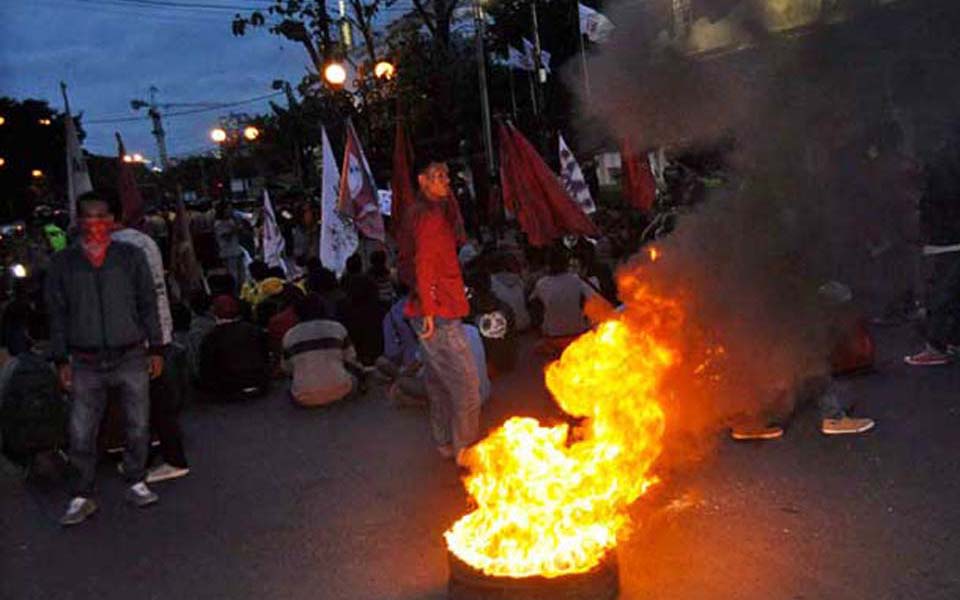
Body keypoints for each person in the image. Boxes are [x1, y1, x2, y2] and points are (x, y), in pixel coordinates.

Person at [46, 191, 164, 526]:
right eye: (88, 216)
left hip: (129, 353)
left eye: (102, 216)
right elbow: (57, 314)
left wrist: (155, 347)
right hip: (84, 359)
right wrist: (60, 359)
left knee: (138, 423)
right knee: (81, 430)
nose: (95, 224)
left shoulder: (130, 257)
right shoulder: (63, 263)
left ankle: (136, 480)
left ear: (112, 220)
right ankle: (82, 494)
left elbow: (147, 303)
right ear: (78, 221)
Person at [405, 160, 481, 463]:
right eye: (438, 177)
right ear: (423, 180)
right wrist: (429, 309)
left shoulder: (430, 212)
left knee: (438, 383)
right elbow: (423, 264)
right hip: (438, 311)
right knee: (467, 388)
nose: (446, 182)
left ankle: (445, 443)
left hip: (430, 306)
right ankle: (466, 452)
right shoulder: (428, 217)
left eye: (447, 176)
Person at [905, 127, 960, 366]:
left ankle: (936, 346)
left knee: (942, 293)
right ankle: (952, 340)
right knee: (952, 290)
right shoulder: (948, 155)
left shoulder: (943, 160)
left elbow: (943, 197)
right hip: (949, 235)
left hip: (948, 237)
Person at [282, 294, 362, 407]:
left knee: (287, 384)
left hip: (303, 397)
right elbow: (351, 357)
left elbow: (287, 368)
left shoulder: (289, 335)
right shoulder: (337, 328)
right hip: (342, 390)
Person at [197, 295, 270, 399]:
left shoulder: (211, 338)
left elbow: (206, 368)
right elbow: (265, 355)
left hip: (229, 387)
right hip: (259, 381)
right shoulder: (254, 330)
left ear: (214, 311)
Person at [529, 248, 596, 355]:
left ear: (548, 264)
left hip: (552, 336)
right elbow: (594, 298)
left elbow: (533, 304)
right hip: (578, 334)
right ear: (566, 264)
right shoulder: (576, 280)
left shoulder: (541, 283)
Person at [214, 202, 245, 291]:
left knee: (242, 275)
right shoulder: (219, 223)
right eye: (228, 209)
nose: (230, 211)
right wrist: (235, 229)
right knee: (233, 274)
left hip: (237, 250)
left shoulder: (231, 221)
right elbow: (225, 237)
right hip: (228, 252)